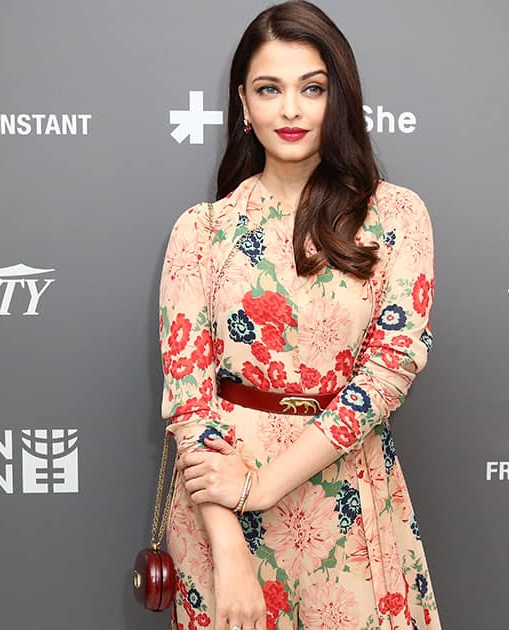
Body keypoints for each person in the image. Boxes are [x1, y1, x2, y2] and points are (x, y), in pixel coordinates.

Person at [157, 2, 441, 628]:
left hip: (346, 499)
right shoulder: (201, 233)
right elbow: (189, 401)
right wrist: (228, 550)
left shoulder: (395, 217)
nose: (290, 110)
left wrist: (262, 485)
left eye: (312, 88)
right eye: (269, 89)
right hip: (219, 512)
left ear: (339, 96)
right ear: (243, 100)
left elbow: (388, 372)